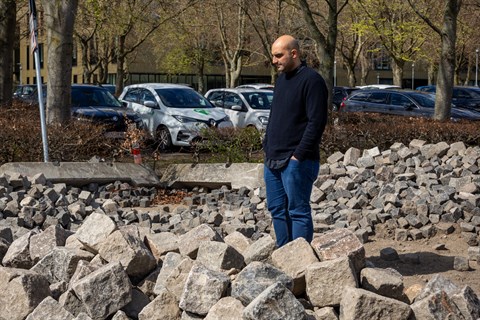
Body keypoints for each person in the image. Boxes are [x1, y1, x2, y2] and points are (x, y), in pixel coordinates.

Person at [263, 35, 328, 247]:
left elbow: (316, 122)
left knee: (297, 211)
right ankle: (284, 257)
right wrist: (267, 148)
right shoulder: (281, 80)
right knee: (277, 209)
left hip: (297, 161)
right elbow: (277, 117)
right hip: (273, 160)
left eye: (279, 55)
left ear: (294, 53)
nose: (274, 60)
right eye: (273, 56)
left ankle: (300, 265)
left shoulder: (312, 80)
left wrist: (297, 156)